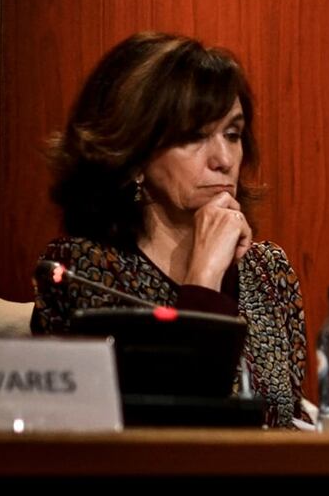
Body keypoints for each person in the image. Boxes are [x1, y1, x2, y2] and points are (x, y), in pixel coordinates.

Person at [32, 32, 307, 427]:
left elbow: (289, 426)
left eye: (232, 134)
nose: (224, 159)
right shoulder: (84, 270)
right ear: (135, 157)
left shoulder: (269, 271)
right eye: (194, 137)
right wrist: (204, 278)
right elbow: (162, 437)